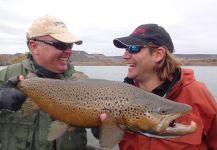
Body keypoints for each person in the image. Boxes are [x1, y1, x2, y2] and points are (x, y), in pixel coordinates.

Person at [93, 24, 217, 149]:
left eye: (133, 48)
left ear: (158, 54)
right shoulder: (120, 95)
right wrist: (102, 127)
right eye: (125, 49)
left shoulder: (197, 94)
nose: (125, 55)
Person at [0, 15, 88, 150]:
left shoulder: (83, 83)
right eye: (61, 45)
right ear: (34, 46)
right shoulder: (4, 77)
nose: (69, 51)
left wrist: (101, 128)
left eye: (70, 45)